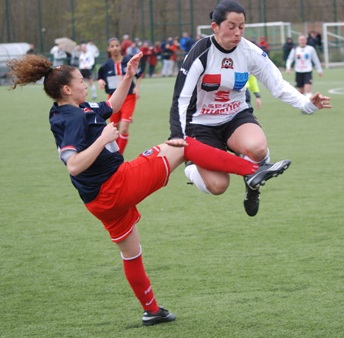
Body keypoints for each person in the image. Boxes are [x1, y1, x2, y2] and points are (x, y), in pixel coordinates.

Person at [7, 52, 287, 326]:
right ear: (67, 89)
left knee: (131, 253)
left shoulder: (72, 109)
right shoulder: (72, 119)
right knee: (183, 143)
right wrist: (103, 138)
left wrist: (128, 76)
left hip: (98, 202)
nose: (85, 82)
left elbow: (112, 107)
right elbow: (74, 165)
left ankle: (152, 311)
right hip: (116, 185)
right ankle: (254, 170)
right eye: (81, 80)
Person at [169, 0, 331, 217]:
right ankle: (191, 165)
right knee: (218, 186)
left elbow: (277, 84)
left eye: (242, 27)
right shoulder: (201, 52)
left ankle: (252, 182)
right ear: (215, 27)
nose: (238, 33)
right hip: (201, 125)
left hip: (235, 117)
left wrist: (306, 103)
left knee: (258, 149)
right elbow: (181, 96)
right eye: (231, 26)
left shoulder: (250, 51)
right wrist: (178, 135)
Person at [97, 37, 144, 154]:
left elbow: (140, 74)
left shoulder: (128, 60)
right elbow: (100, 77)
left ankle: (118, 156)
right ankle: (113, 154)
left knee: (124, 128)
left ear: (120, 47)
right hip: (112, 100)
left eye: (117, 45)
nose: (115, 48)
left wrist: (136, 87)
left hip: (128, 98)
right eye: (112, 46)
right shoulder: (105, 65)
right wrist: (100, 81)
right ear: (108, 49)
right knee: (114, 129)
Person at [286, 35, 323, 100]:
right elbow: (290, 59)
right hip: (298, 72)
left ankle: (308, 106)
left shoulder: (311, 49)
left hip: (308, 71)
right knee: (301, 91)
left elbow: (316, 60)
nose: (302, 41)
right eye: (301, 40)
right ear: (298, 41)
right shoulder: (295, 49)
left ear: (306, 40)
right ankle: (302, 105)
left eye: (304, 40)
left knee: (308, 88)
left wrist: (319, 70)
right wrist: (288, 67)